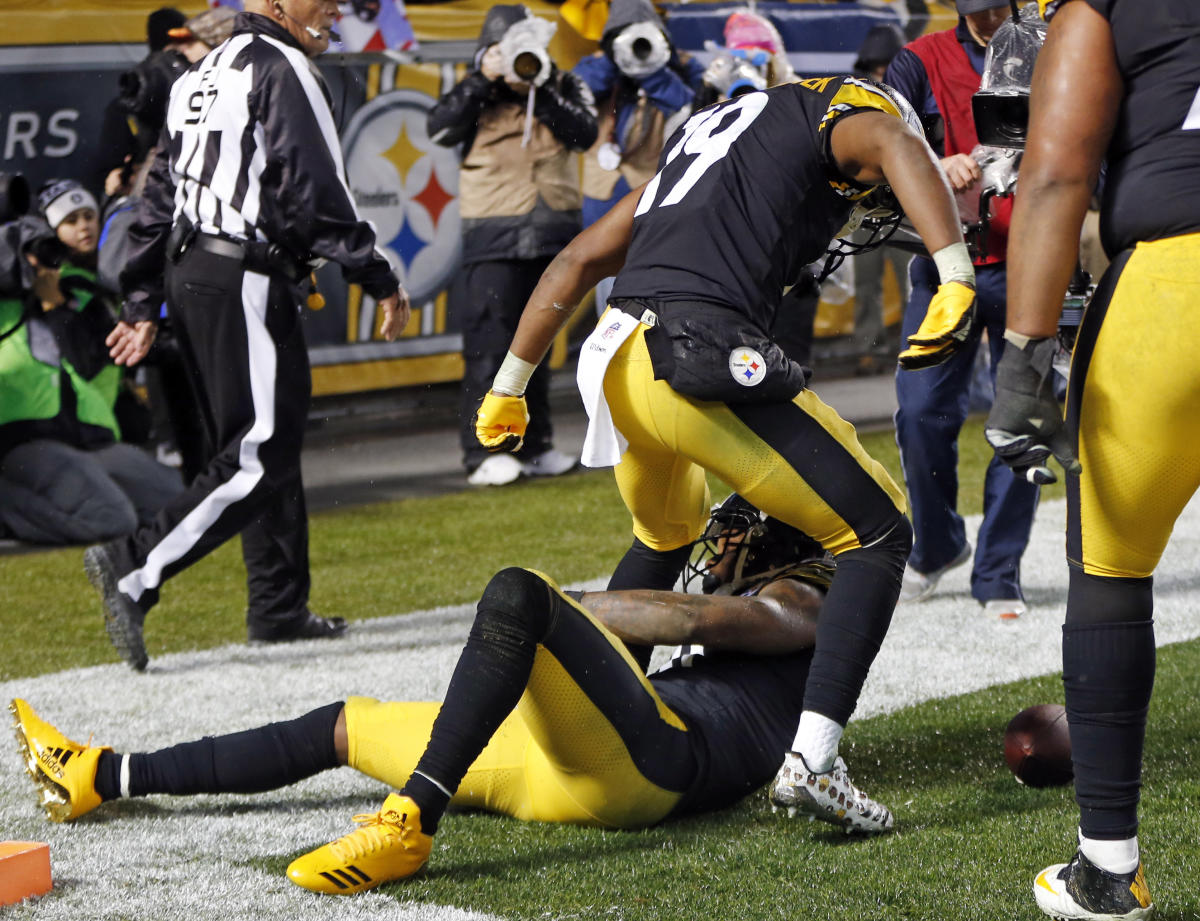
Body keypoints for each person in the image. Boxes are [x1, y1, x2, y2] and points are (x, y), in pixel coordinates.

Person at [474, 76, 979, 836]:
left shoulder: (705, 147)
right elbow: (890, 140)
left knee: (664, 536)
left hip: (614, 360)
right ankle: (813, 759)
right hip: (694, 350)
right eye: (864, 195)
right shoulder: (837, 115)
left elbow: (577, 260)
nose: (858, 208)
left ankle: (591, 716)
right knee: (878, 532)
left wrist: (508, 382)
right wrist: (956, 273)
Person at [13, 510, 850, 895]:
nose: (725, 545)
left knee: (519, 594)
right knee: (346, 722)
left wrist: (553, 613)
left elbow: (708, 614)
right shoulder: (772, 596)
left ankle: (409, 822)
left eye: (742, 534)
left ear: (788, 546)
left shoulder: (814, 596)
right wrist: (651, 538)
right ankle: (102, 773)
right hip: (588, 757)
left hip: (658, 766)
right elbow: (628, 649)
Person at [85, 0, 409, 671]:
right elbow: (314, 189)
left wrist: (145, 300)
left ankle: (278, 605)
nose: (334, 9)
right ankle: (135, 565)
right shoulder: (281, 66)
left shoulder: (197, 76)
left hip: (196, 272)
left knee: (265, 445)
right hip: (243, 274)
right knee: (258, 452)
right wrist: (375, 274)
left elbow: (159, 199)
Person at [983, 0, 1200, 917]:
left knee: (1109, 573)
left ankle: (1107, 869)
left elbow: (1055, 169)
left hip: (1175, 282)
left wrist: (1026, 356)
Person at [884, 0, 1039, 620]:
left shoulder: (1049, 51)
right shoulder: (918, 59)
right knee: (919, 413)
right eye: (974, 8)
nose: (985, 19)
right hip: (947, 260)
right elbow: (883, 139)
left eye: (996, 6)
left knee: (1020, 422)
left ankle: (998, 571)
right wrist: (928, 163)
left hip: (1033, 259)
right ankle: (940, 542)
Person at [427, 4, 596, 487]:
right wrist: (484, 78)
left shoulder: (561, 84)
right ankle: (483, 452)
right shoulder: (472, 88)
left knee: (536, 345)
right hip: (492, 234)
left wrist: (540, 90)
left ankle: (535, 444)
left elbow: (584, 135)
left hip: (552, 234)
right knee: (489, 345)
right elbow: (439, 128)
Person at [0, 217, 183, 545]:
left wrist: (52, 302)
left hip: (85, 437)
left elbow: (82, 362)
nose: (41, 263)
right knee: (112, 521)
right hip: (24, 441)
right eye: (29, 254)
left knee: (180, 506)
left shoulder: (71, 294)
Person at [573, 0, 704, 312]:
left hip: (659, 196)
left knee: (659, 283)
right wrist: (614, 56)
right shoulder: (597, 65)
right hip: (603, 198)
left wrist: (653, 68)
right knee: (607, 287)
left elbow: (691, 108)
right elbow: (577, 92)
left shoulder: (682, 67)